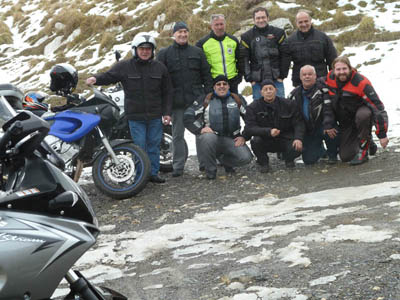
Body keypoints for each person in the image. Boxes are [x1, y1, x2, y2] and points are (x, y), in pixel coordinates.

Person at [86, 33, 172, 183]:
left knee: (154, 146)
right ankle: (141, 176)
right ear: (135, 49)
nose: (145, 51)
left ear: (153, 51)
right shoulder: (125, 66)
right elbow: (109, 76)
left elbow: (168, 92)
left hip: (155, 115)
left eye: (148, 49)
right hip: (135, 116)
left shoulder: (160, 68)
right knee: (139, 147)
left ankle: (153, 173)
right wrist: (96, 78)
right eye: (142, 48)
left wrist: (167, 113)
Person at [157, 21, 213, 177]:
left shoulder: (197, 52)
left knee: (201, 133)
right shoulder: (164, 54)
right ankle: (178, 166)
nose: (182, 34)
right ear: (173, 35)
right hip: (176, 102)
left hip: (196, 101)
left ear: (188, 33)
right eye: (179, 32)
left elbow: (207, 75)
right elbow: (159, 79)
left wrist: (207, 96)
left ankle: (204, 164)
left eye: (185, 31)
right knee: (177, 135)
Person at [184, 75, 253, 179]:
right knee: (207, 137)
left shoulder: (237, 99)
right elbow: (188, 116)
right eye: (218, 84)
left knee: (246, 158)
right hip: (212, 139)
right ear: (214, 87)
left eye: (224, 84)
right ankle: (210, 170)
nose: (222, 86)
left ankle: (225, 161)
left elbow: (250, 119)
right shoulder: (205, 99)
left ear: (229, 86)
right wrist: (200, 129)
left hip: (231, 139)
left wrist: (244, 136)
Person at [324, 56, 389, 165]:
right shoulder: (330, 78)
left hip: (362, 115)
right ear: (333, 70)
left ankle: (363, 150)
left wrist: (382, 134)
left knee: (363, 115)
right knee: (345, 157)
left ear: (350, 68)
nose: (341, 72)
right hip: (346, 121)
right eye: (338, 69)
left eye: (344, 69)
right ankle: (369, 141)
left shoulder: (361, 82)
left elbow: (378, 108)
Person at [243, 79, 304, 173]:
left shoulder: (289, 104)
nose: (268, 91)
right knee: (255, 141)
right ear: (261, 92)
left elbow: (298, 122)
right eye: (265, 89)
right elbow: (249, 128)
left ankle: (289, 159)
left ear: (275, 90)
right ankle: (263, 162)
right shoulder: (253, 107)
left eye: (270, 89)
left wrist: (298, 138)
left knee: (296, 144)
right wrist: (268, 131)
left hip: (284, 137)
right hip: (266, 139)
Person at [288, 65, 339, 164]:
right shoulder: (294, 94)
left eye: (310, 74)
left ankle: (332, 154)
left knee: (332, 133)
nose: (307, 76)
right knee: (309, 160)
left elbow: (328, 110)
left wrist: (328, 125)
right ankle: (321, 151)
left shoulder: (323, 90)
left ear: (315, 76)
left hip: (323, 126)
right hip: (308, 130)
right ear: (300, 77)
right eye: (304, 75)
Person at [239, 7, 289, 100]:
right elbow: (243, 59)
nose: (261, 20)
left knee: (281, 108)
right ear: (253, 20)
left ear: (268, 18)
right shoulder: (246, 36)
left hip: (276, 79)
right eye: (258, 18)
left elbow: (285, 55)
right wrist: (249, 78)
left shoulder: (279, 33)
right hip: (257, 81)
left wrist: (282, 75)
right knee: (259, 111)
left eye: (263, 17)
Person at [284, 11, 337, 87]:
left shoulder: (322, 38)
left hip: (321, 80)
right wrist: (281, 76)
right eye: (300, 22)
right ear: (296, 23)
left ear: (310, 21)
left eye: (306, 21)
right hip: (299, 83)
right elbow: (285, 61)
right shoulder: (290, 40)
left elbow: (332, 59)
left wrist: (333, 77)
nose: (304, 24)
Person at [196, 14, 242, 93]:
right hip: (214, 83)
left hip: (232, 82)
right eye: (216, 25)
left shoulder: (233, 40)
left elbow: (240, 60)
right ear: (211, 26)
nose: (219, 27)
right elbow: (199, 65)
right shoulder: (202, 43)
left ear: (225, 24)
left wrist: (239, 76)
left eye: (221, 24)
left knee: (233, 104)